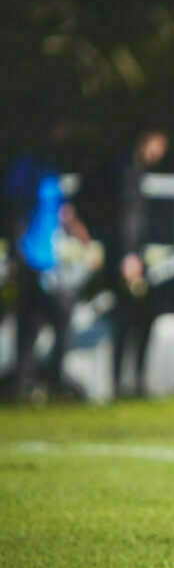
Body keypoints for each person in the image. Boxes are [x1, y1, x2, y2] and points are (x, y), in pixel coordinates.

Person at [2, 121, 92, 401]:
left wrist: (82, 237)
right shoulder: (25, 169)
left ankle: (23, 383)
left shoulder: (52, 172)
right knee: (57, 313)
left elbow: (62, 211)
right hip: (30, 259)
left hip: (48, 261)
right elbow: (13, 210)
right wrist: (17, 252)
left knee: (33, 325)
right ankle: (47, 380)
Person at [102, 129, 168, 398]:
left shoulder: (134, 170)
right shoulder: (127, 171)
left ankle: (131, 379)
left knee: (137, 318)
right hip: (127, 259)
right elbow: (127, 217)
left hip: (131, 256)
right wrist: (129, 255)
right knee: (128, 319)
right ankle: (122, 382)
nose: (160, 154)